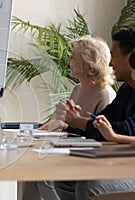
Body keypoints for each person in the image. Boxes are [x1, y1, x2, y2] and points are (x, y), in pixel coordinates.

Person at [23, 35, 116, 200]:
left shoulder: (105, 94)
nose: (68, 61)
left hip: (91, 160)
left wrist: (69, 124)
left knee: (43, 175)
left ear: (87, 61)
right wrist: (59, 122)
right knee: (30, 173)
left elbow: (101, 136)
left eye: (72, 57)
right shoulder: (77, 89)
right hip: (71, 152)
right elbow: (70, 125)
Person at [54, 28, 135, 200]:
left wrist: (80, 122)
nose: (110, 64)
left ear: (131, 57)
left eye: (113, 56)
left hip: (134, 169)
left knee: (90, 185)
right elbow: (103, 120)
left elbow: (130, 129)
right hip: (123, 162)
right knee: (63, 178)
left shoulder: (108, 93)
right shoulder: (126, 90)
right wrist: (74, 121)